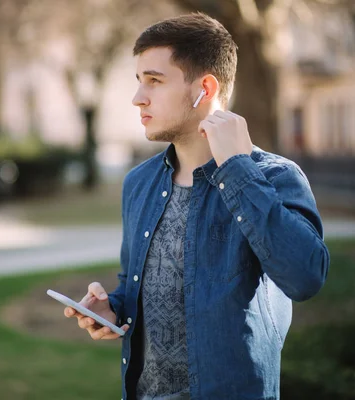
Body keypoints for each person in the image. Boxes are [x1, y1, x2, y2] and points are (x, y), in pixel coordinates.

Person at [64, 12, 330, 400]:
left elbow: (306, 278)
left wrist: (236, 170)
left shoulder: (275, 177)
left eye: (154, 81)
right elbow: (142, 286)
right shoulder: (138, 183)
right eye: (139, 82)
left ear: (204, 88)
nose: (138, 97)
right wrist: (113, 311)